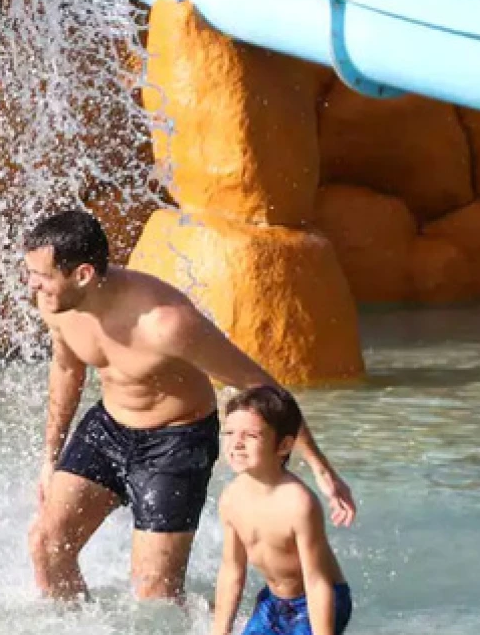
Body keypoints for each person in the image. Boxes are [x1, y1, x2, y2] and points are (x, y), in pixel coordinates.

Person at [22, 209, 355, 602]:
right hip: (109, 426)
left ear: (82, 275)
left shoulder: (167, 324)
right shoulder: (57, 305)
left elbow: (261, 386)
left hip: (175, 442)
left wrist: (321, 467)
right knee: (46, 545)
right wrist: (51, 457)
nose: (32, 286)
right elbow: (66, 368)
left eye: (41, 277)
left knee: (154, 594)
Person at [208, 385, 356, 635]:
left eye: (250, 436)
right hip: (274, 599)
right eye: (229, 433)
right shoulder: (231, 498)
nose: (236, 444)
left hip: (318, 597)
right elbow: (232, 569)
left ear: (284, 445)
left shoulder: (298, 503)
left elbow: (317, 581)